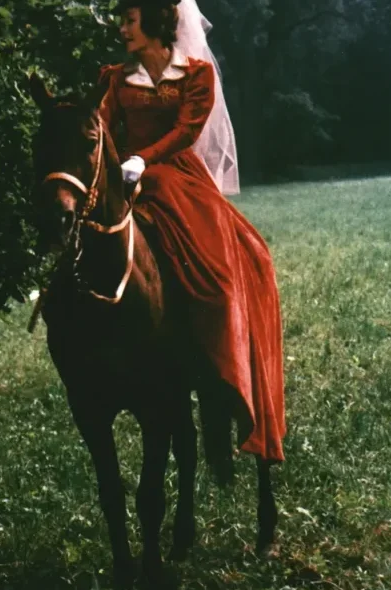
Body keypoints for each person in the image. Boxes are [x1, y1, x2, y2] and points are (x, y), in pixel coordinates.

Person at [100, 0, 286, 461]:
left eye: (129, 19)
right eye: (121, 20)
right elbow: (99, 127)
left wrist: (145, 158)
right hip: (125, 176)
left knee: (223, 278)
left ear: (158, 22)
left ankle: (219, 368)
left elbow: (187, 131)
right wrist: (115, 165)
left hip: (178, 178)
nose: (121, 27)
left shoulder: (196, 74)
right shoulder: (113, 78)